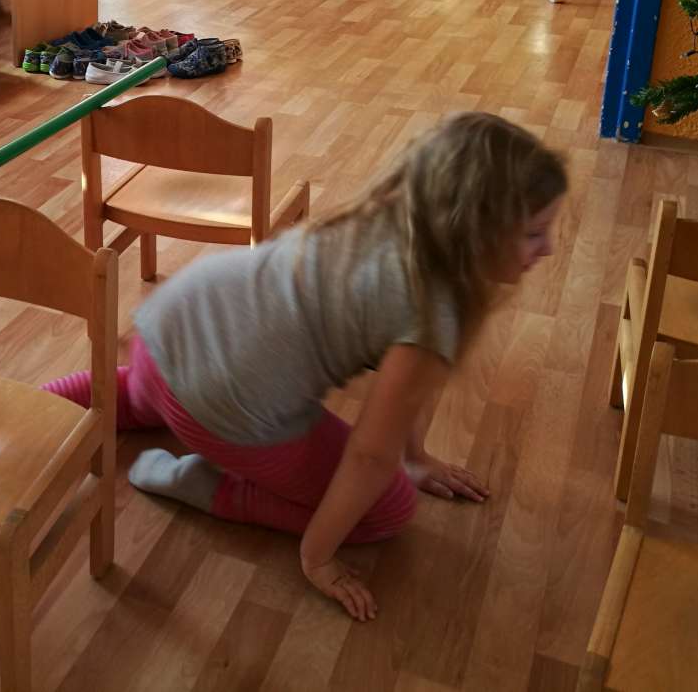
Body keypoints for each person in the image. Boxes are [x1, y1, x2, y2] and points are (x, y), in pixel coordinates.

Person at [43, 112, 567, 620]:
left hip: (165, 332)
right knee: (388, 509)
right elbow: (370, 456)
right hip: (213, 404)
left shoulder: (393, 216)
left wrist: (418, 456)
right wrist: (317, 558)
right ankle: (207, 486)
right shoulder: (435, 315)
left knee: (135, 396)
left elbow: (411, 395)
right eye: (534, 233)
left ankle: (30, 409)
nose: (548, 248)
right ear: (476, 233)